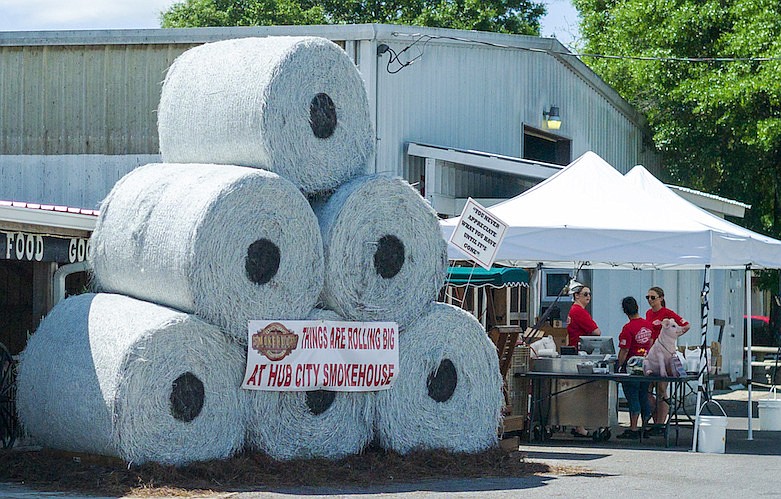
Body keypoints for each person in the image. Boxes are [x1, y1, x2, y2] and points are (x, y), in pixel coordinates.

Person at [645, 286, 690, 434]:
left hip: (665, 354)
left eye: (653, 297)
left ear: (661, 298)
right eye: (648, 298)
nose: (650, 301)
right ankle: (654, 420)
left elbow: (686, 325)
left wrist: (673, 336)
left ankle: (660, 424)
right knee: (648, 388)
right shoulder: (648, 313)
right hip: (652, 353)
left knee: (662, 388)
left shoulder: (667, 313)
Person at [566, 280, 601, 437]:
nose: (589, 297)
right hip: (580, 354)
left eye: (590, 294)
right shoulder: (579, 312)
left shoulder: (574, 311)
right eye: (585, 294)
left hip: (576, 351)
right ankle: (579, 425)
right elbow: (596, 332)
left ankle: (577, 424)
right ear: (576, 295)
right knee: (581, 390)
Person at [616, 296, 653, 439]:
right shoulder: (648, 325)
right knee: (644, 395)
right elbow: (651, 343)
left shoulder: (628, 328)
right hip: (646, 365)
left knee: (632, 396)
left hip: (631, 367)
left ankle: (633, 428)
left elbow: (624, 350)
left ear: (625, 311)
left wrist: (619, 366)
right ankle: (644, 426)